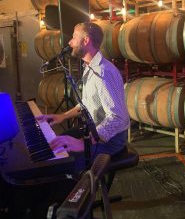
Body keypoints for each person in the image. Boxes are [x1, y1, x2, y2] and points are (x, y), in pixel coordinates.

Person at [39, 22, 130, 173]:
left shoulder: (103, 72)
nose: (70, 42)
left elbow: (117, 118)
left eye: (74, 37)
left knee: (66, 163)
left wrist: (82, 144)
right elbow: (86, 104)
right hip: (95, 131)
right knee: (60, 141)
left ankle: (79, 192)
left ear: (86, 41)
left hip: (112, 139)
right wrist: (62, 116)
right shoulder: (90, 66)